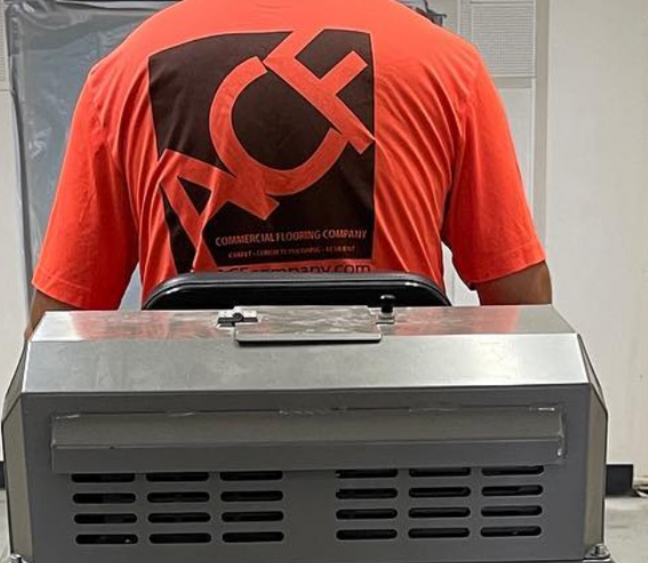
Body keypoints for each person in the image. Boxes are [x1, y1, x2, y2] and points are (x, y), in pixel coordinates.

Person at [29, 0, 551, 329]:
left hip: (192, 450)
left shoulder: (122, 73)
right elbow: (521, 303)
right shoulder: (445, 66)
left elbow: (57, 325)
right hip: (396, 442)